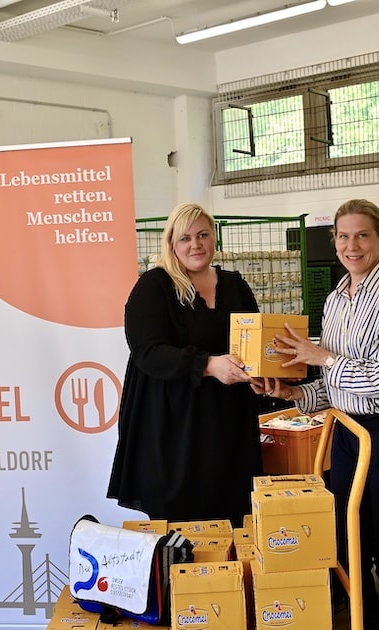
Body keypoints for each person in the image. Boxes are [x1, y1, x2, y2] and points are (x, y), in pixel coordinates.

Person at [253, 199, 379, 630]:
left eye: (362, 236)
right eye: (343, 236)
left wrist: (321, 354)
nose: (351, 246)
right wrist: (293, 391)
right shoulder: (335, 299)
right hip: (349, 435)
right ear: (333, 241)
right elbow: (337, 387)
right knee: (352, 554)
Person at [107, 202, 263, 527]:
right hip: (172, 431)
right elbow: (147, 351)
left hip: (228, 427)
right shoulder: (153, 287)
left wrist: (261, 374)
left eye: (203, 234)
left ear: (214, 238)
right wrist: (208, 364)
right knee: (179, 529)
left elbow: (255, 340)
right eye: (186, 238)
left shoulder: (235, 285)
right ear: (172, 244)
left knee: (231, 522)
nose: (196, 244)